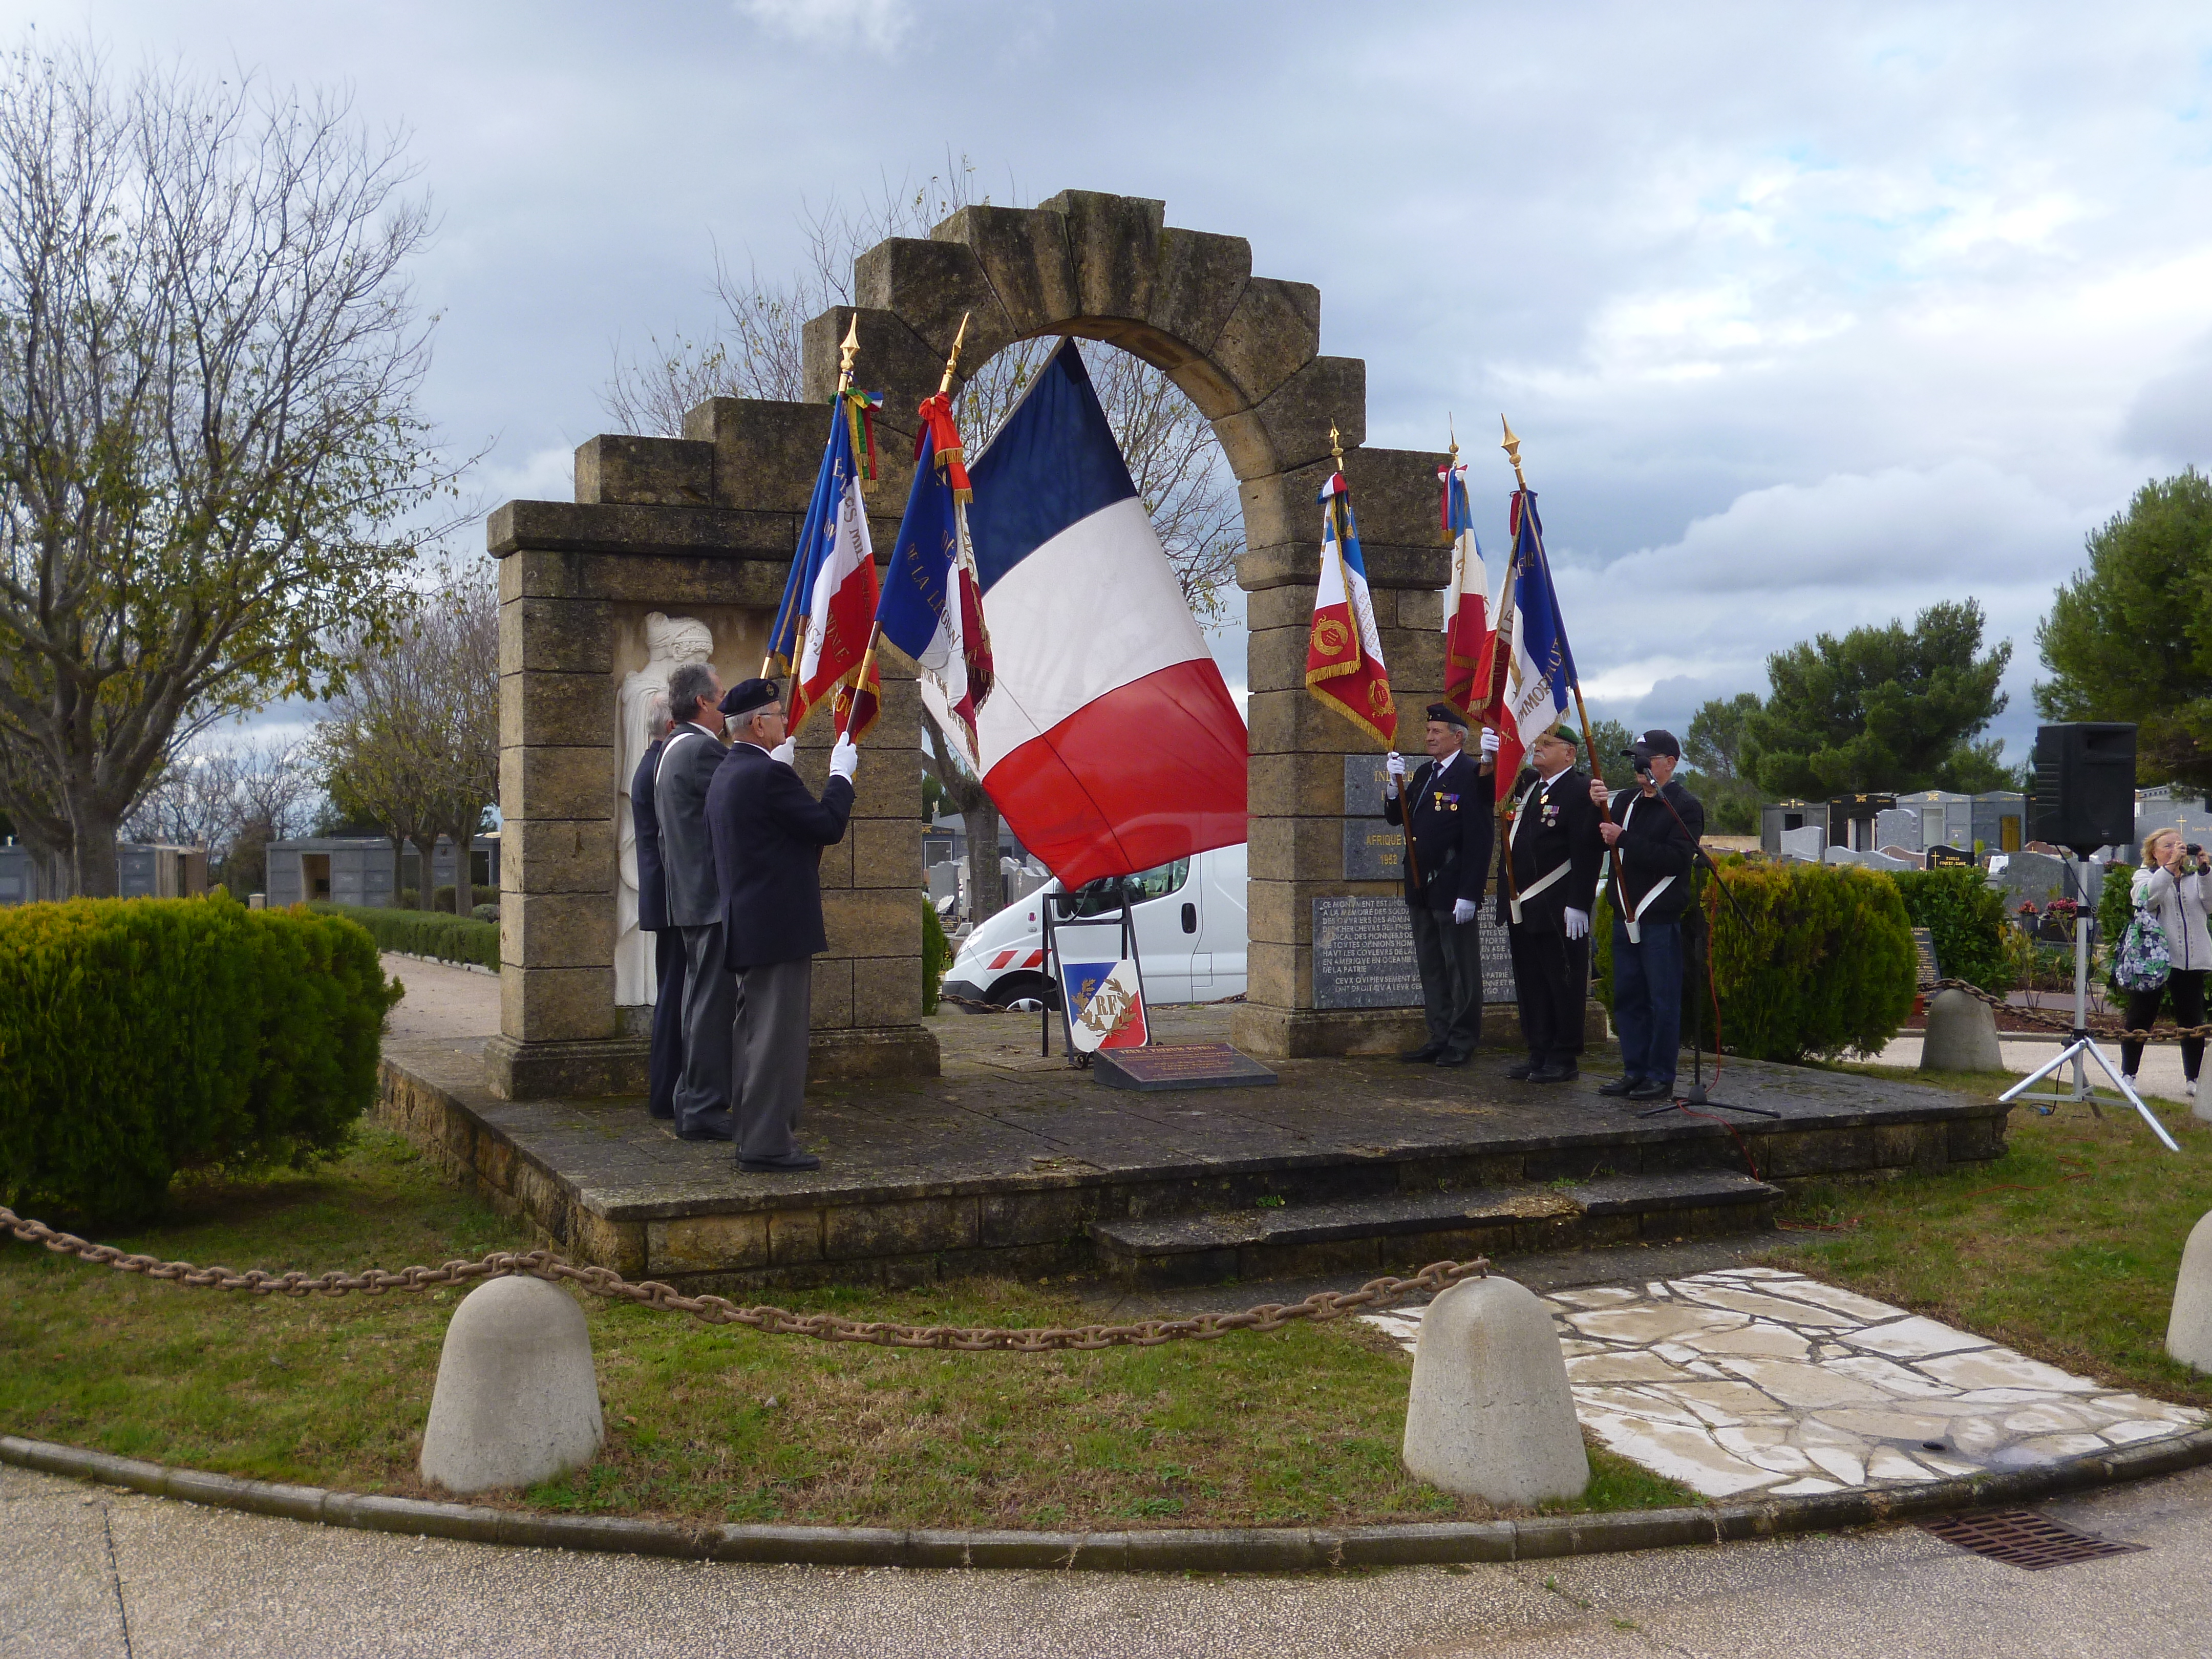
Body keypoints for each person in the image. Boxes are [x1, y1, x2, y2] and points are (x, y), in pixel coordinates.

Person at [708, 678, 859, 1173]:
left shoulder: (729, 773)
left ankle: (754, 1133)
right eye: (776, 714)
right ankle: (769, 1144)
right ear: (757, 723)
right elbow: (825, 826)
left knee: (754, 1037)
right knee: (777, 1040)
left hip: (750, 925)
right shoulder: (768, 777)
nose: (782, 722)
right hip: (777, 926)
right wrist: (842, 777)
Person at [1589, 729, 1705, 1102]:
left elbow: (1674, 859)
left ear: (1670, 763)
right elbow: (1599, 838)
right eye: (1636, 759)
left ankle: (1660, 1076)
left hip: (1658, 918)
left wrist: (1624, 839)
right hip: (1625, 915)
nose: (1640, 767)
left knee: (1662, 999)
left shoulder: (1684, 806)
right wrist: (1595, 807)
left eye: (1647, 759)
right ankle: (1633, 1070)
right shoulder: (1626, 801)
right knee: (1628, 998)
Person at [1383, 703, 1501, 1066]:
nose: (1429, 737)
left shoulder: (1472, 774)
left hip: (1452, 887)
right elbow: (1394, 818)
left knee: (1460, 968)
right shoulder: (1423, 774)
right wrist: (1392, 786)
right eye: (1428, 731)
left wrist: (1470, 893)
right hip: (1421, 886)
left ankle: (1462, 1039)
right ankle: (1439, 1035)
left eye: (1437, 732)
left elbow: (1480, 840)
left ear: (1458, 737)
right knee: (1431, 965)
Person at [653, 660, 737, 1141]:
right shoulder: (701, 752)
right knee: (709, 1007)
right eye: (721, 694)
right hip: (707, 900)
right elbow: (742, 793)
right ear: (703, 701)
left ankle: (693, 1098)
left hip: (690, 897)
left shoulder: (676, 747)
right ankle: (703, 1106)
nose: (725, 703)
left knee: (698, 1002)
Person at [1496, 724, 1604, 1082]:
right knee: (1531, 983)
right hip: (1524, 906)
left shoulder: (1579, 790)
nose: (1537, 749)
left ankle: (1564, 1055)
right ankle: (1539, 1049)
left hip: (1559, 907)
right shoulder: (1529, 789)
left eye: (1547, 744)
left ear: (1570, 754)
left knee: (1563, 982)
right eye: (1537, 744)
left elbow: (1587, 850)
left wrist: (1579, 902)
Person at [2121, 827, 2212, 1100]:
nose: (2176, 851)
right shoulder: (2144, 876)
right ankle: (2129, 1073)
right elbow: (2145, 900)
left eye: (2180, 846)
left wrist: (2206, 872)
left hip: (2191, 961)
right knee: (2142, 1015)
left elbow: (2210, 905)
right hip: (2155, 961)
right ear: (2153, 853)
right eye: (2168, 847)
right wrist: (2168, 869)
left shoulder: (2193, 879)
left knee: (2192, 1020)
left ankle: (2194, 1078)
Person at [629, 691, 684, 1121]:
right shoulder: (658, 768)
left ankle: (668, 1090)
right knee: (673, 996)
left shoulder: (652, 763)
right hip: (670, 896)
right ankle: (666, 1092)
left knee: (675, 993)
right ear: (670, 728)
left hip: (665, 895)